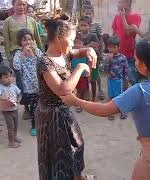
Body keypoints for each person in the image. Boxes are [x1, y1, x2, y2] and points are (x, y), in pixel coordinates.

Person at [61, 36, 150, 180]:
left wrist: (76, 101)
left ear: (144, 65)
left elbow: (104, 110)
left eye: (136, 59)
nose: (134, 62)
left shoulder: (140, 90)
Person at [35, 18, 97, 180]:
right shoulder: (44, 62)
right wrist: (80, 67)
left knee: (77, 145)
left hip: (63, 111)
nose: (73, 43)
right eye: (70, 39)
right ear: (58, 38)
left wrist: (89, 50)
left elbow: (80, 51)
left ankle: (77, 176)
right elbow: (62, 90)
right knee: (58, 155)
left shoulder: (65, 53)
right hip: (50, 115)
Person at [2, 0, 43, 120]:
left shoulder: (31, 20)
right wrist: (10, 58)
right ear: (13, 5)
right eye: (18, 4)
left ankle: (39, 105)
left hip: (34, 55)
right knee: (22, 83)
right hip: (18, 55)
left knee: (37, 80)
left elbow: (37, 39)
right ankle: (26, 107)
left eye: (24, 4)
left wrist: (42, 54)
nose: (21, 7)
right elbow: (6, 42)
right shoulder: (8, 21)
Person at [13, 28, 42, 136]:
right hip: (29, 87)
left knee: (42, 105)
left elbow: (44, 62)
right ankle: (34, 125)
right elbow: (16, 66)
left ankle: (43, 123)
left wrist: (34, 53)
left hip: (40, 85)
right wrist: (23, 55)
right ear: (20, 42)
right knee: (33, 107)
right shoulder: (18, 54)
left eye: (30, 39)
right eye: (24, 40)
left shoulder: (37, 51)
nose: (28, 42)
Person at [112, 0, 141, 85]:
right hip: (117, 53)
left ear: (128, 3)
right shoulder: (117, 17)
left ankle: (136, 96)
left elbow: (128, 33)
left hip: (129, 54)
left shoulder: (136, 17)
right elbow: (114, 33)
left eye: (121, 2)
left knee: (132, 78)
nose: (118, 5)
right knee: (119, 78)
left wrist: (123, 17)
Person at [0, 66, 22, 148]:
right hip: (6, 110)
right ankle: (11, 142)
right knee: (11, 127)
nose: (9, 78)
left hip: (14, 108)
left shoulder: (13, 86)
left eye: (10, 76)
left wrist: (18, 100)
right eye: (6, 77)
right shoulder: (0, 87)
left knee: (16, 124)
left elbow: (19, 94)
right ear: (0, 79)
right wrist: (4, 98)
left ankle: (14, 136)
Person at [83, 5, 105, 100]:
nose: (88, 15)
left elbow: (100, 38)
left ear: (93, 14)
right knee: (88, 73)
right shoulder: (82, 24)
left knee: (96, 73)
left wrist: (100, 51)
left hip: (95, 52)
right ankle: (87, 93)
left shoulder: (97, 25)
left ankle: (100, 90)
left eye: (89, 13)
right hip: (85, 53)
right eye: (86, 13)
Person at [104, 36, 129, 120]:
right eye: (109, 47)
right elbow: (104, 69)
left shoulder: (123, 57)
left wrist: (126, 79)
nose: (111, 49)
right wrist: (108, 61)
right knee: (111, 97)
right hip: (111, 80)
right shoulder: (107, 57)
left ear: (118, 47)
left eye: (113, 47)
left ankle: (122, 111)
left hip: (119, 80)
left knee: (120, 97)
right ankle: (110, 112)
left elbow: (126, 69)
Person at [78, 16, 100, 102]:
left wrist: (86, 47)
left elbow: (96, 48)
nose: (83, 27)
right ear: (79, 26)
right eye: (81, 25)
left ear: (90, 26)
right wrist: (88, 46)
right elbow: (77, 48)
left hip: (92, 61)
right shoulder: (77, 35)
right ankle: (82, 99)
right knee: (82, 81)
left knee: (93, 80)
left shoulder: (93, 36)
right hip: (82, 62)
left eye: (85, 25)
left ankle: (93, 98)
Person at [71, 36, 90, 113]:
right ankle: (79, 104)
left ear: (83, 44)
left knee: (84, 89)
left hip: (84, 76)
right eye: (75, 43)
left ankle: (83, 102)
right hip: (76, 76)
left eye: (79, 43)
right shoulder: (71, 54)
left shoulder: (85, 54)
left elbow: (88, 64)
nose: (77, 45)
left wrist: (89, 74)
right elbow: (70, 65)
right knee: (78, 90)